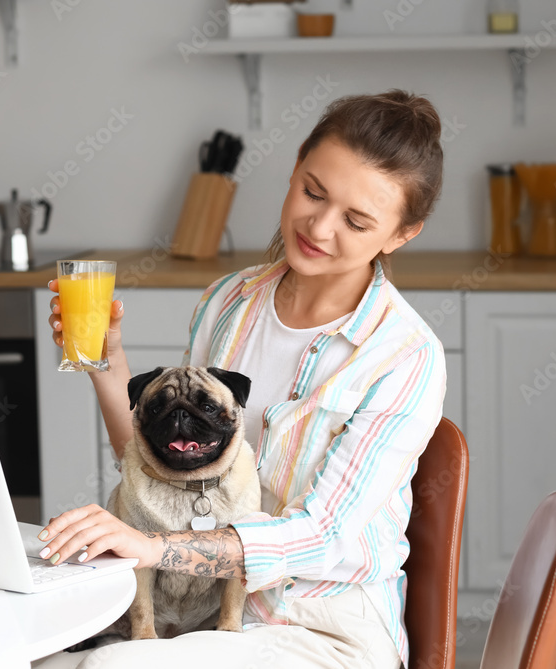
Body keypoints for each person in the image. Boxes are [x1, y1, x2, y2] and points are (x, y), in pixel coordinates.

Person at [32, 90, 447, 669]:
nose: (320, 227)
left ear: (403, 234)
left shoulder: (403, 355)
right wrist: (108, 359)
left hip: (318, 626)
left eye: (356, 221)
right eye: (312, 191)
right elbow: (161, 464)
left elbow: (322, 537)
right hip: (201, 613)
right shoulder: (230, 301)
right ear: (297, 164)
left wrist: (152, 548)